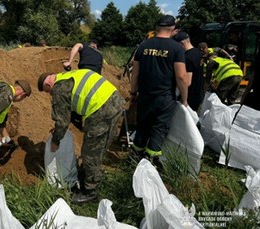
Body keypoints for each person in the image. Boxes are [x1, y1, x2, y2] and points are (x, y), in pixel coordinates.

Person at [38, 69, 124, 204]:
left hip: (100, 109)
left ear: (49, 85)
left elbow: (61, 121)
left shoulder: (58, 88)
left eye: (48, 92)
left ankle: (90, 192)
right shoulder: (69, 75)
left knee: (90, 152)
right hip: (115, 100)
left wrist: (56, 140)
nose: (50, 94)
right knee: (100, 147)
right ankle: (91, 176)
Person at [130, 15, 190, 158]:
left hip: (144, 96)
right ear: (173, 29)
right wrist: (185, 99)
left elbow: (135, 74)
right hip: (164, 98)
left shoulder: (143, 46)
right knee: (159, 129)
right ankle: (150, 161)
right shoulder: (176, 48)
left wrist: (133, 93)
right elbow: (181, 77)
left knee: (142, 127)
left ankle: (134, 159)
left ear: (157, 28)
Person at [173, 32, 204, 111]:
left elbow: (187, 81)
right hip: (199, 93)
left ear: (182, 43)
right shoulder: (198, 53)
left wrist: (181, 97)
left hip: (190, 96)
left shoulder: (187, 57)